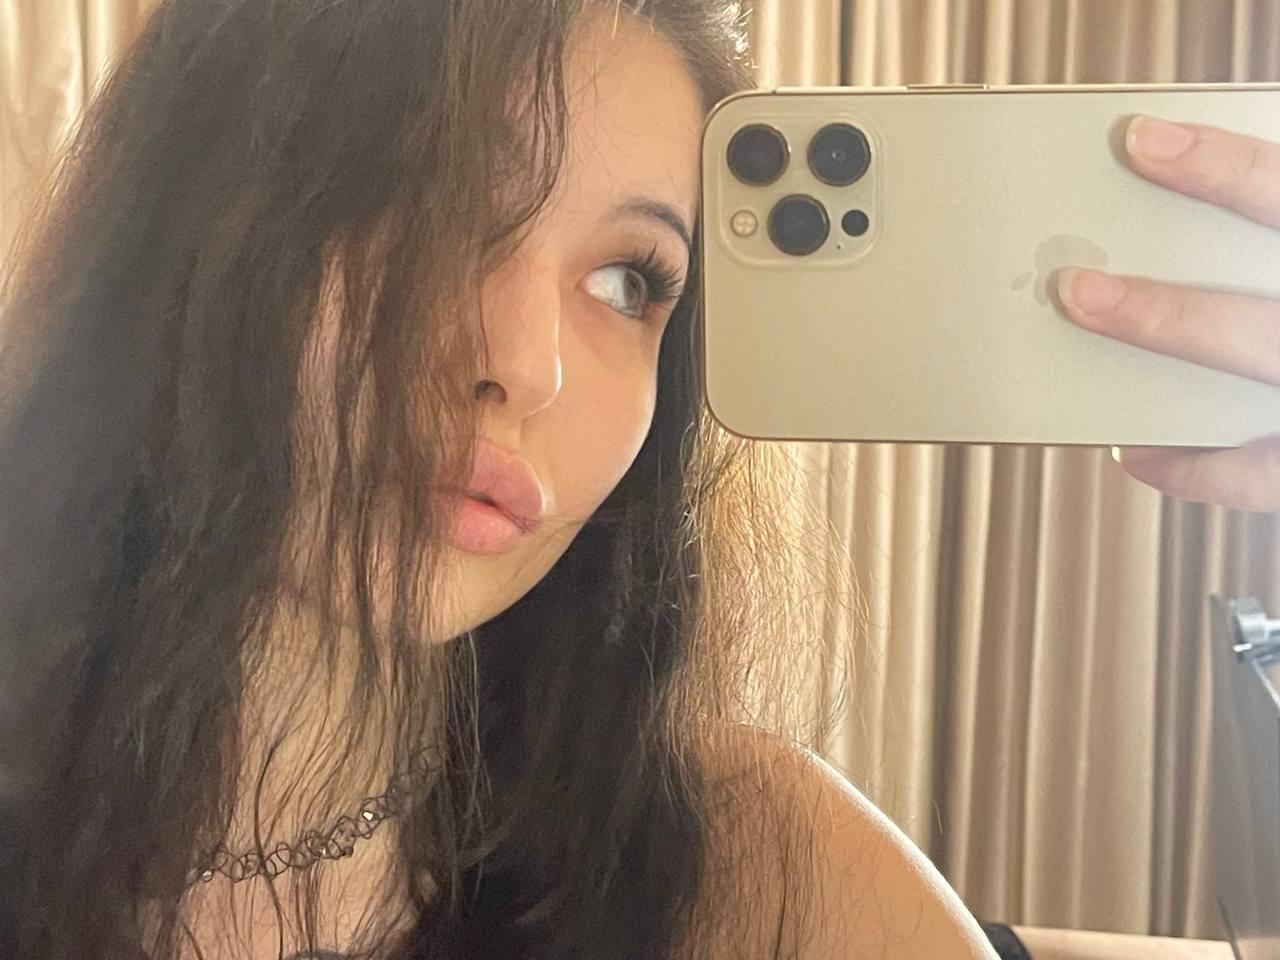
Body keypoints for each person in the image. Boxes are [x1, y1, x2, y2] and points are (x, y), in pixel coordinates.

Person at [1, 1, 1277, 958]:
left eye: (629, 283)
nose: (527, 365)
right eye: (430, 200)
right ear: (197, 214)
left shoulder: (741, 869)